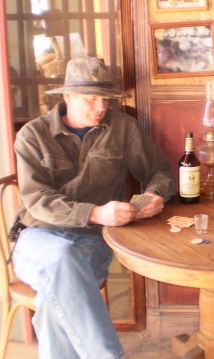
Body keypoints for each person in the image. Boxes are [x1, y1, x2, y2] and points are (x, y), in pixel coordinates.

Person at [12, 56, 177, 358]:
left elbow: (159, 171)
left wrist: (155, 194)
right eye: (91, 99)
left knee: (53, 298)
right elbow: (37, 200)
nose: (101, 107)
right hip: (36, 236)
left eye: (106, 99)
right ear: (67, 96)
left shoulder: (123, 128)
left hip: (92, 240)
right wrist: (96, 212)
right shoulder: (32, 135)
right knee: (61, 257)